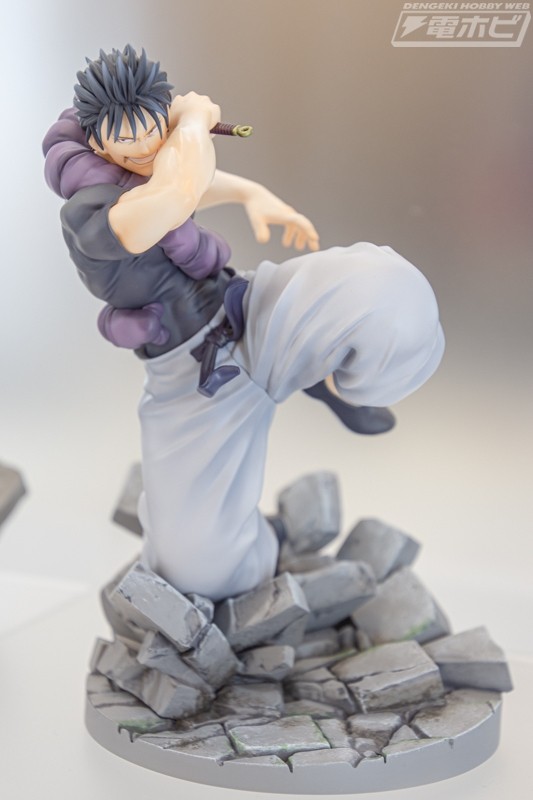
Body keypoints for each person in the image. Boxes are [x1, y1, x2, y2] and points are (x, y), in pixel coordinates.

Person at [44, 46, 445, 602]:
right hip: (192, 377)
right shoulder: (89, 214)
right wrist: (190, 124)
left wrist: (253, 194)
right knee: (200, 571)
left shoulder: (149, 167)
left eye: (153, 131)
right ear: (97, 145)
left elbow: (180, 186)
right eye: (128, 141)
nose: (146, 148)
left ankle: (329, 380)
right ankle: (263, 569)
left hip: (242, 307)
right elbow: (169, 197)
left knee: (391, 293)